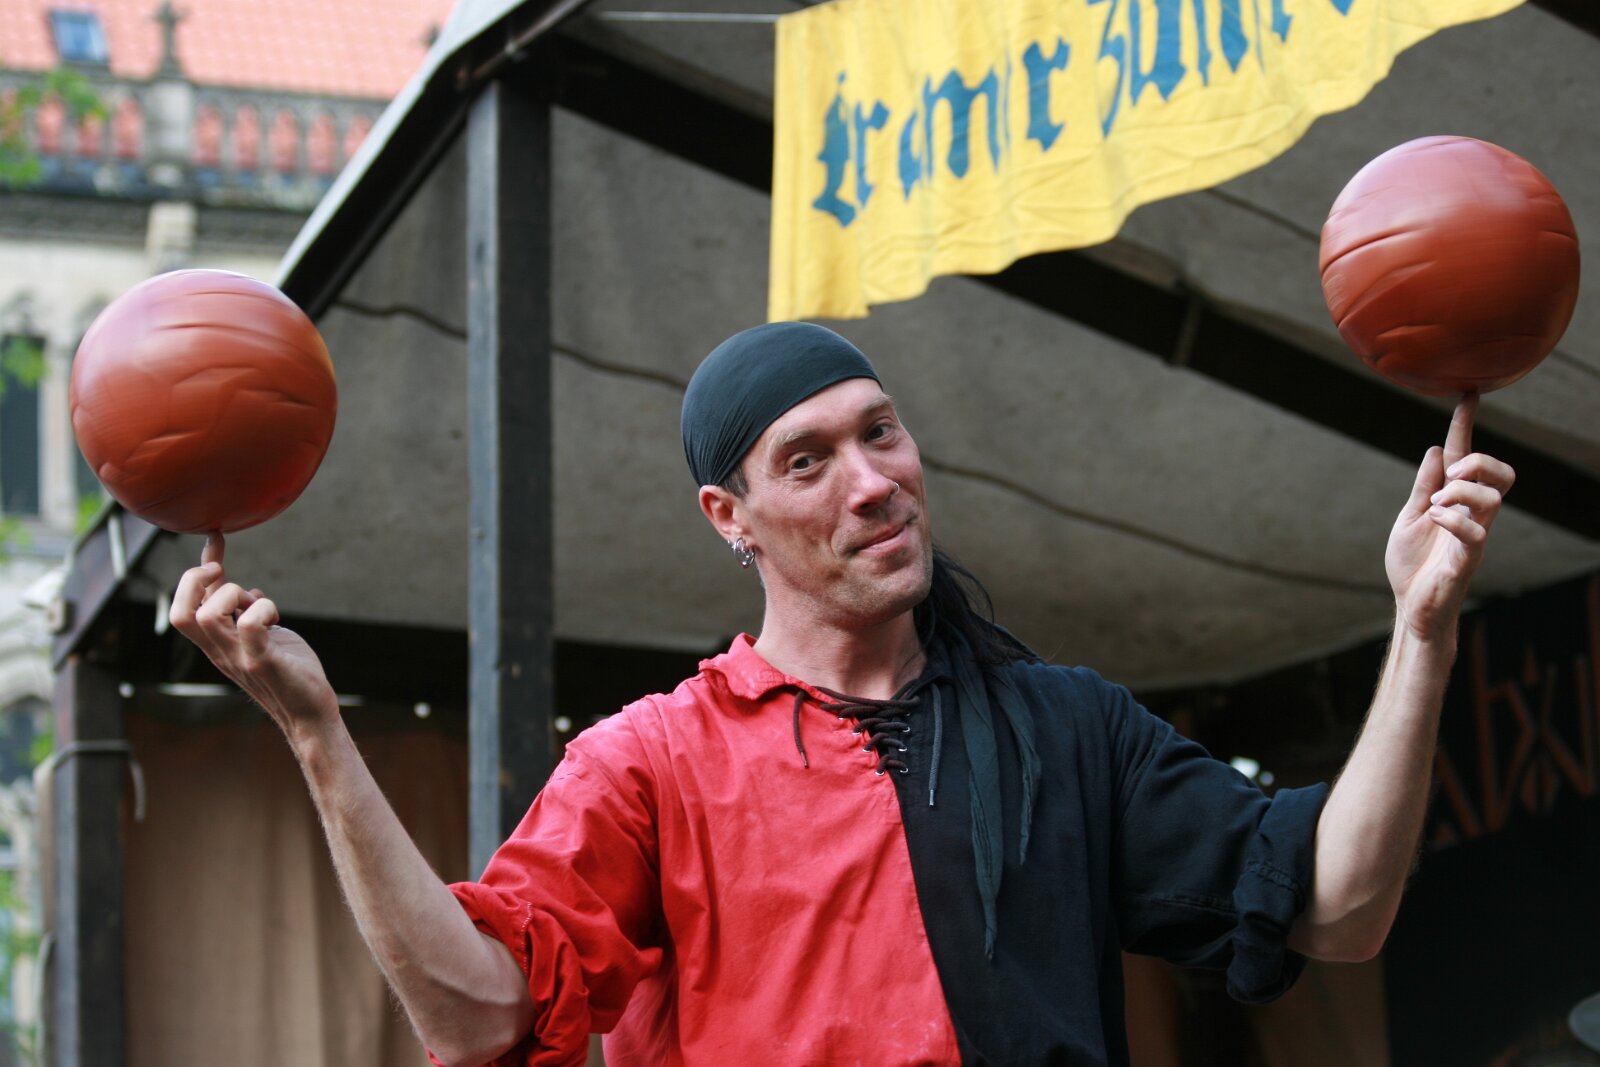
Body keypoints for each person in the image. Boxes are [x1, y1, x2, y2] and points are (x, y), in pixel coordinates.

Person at [170, 321, 1514, 1066]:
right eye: (807, 461)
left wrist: (1421, 631)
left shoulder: (1067, 728)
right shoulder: (652, 766)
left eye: (881, 432)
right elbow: (476, 1013)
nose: (872, 481)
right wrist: (318, 734)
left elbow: (1339, 908)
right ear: (731, 517)